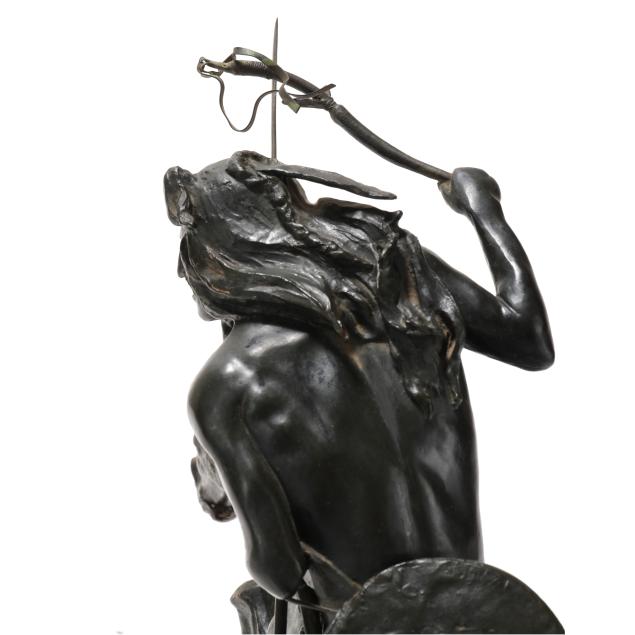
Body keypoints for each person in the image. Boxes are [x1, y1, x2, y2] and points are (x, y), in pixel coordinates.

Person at [165, 150, 554, 613]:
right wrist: (483, 209)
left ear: (214, 253)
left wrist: (226, 476)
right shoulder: (403, 278)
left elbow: (278, 571)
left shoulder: (225, 385)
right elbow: (530, 339)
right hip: (474, 608)